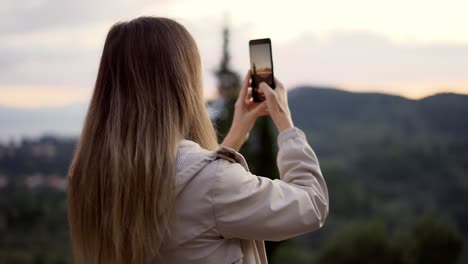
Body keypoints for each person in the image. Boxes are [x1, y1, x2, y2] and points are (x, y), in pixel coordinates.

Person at [67, 16, 329, 264]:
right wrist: (286, 124)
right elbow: (312, 205)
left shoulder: (89, 176)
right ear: (183, 83)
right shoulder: (212, 183)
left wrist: (236, 133)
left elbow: (193, 195)